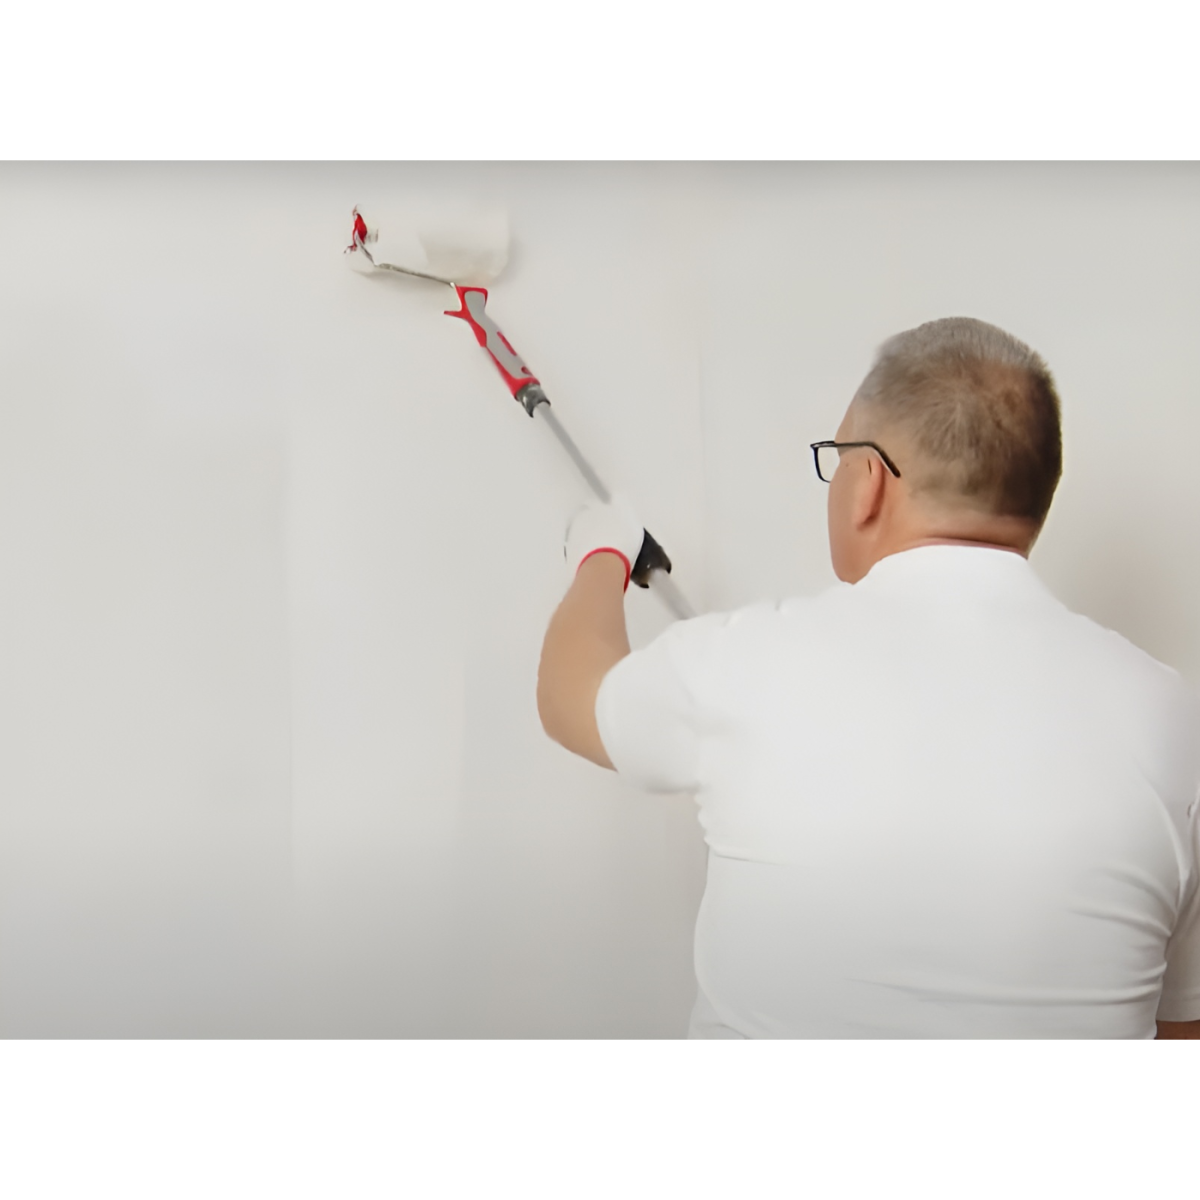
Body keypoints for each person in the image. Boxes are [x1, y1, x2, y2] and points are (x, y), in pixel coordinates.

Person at [537, 317, 1200, 1039]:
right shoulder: (1173, 723)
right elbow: (1180, 1028)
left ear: (871, 484)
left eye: (838, 458)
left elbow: (573, 697)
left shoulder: (747, 661)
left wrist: (601, 552)